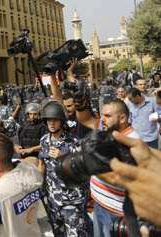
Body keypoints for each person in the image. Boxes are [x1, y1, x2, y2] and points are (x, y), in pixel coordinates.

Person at [76, 98, 141, 237]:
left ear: (122, 118)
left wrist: (87, 162)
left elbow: (117, 178)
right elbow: (86, 119)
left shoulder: (132, 143)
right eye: (102, 114)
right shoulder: (109, 129)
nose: (102, 119)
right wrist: (80, 104)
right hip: (100, 205)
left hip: (116, 213)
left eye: (107, 116)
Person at [38, 102, 92, 237]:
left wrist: (64, 157)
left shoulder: (74, 141)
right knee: (59, 233)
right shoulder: (44, 140)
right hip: (52, 199)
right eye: (49, 120)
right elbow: (42, 165)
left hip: (72, 199)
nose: (51, 123)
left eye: (55, 120)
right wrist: (39, 186)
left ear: (61, 121)